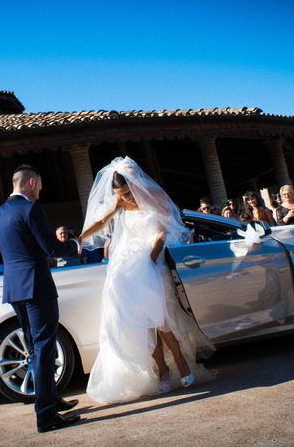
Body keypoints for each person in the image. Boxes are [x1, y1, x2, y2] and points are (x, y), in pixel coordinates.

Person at [80, 157, 214, 403]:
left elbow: (163, 231)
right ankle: (162, 369)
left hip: (152, 259)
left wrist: (150, 259)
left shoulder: (155, 197)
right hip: (127, 265)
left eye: (128, 192)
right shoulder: (120, 201)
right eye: (121, 194)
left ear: (135, 184)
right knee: (143, 323)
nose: (127, 198)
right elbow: (101, 222)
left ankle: (181, 362)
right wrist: (80, 238)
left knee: (161, 318)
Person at [0, 164, 82, 433]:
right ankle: (46, 415)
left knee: (35, 348)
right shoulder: (30, 209)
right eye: (39, 186)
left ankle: (51, 399)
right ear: (30, 183)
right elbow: (51, 247)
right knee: (44, 348)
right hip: (37, 287)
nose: (40, 192)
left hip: (14, 289)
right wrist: (74, 246)